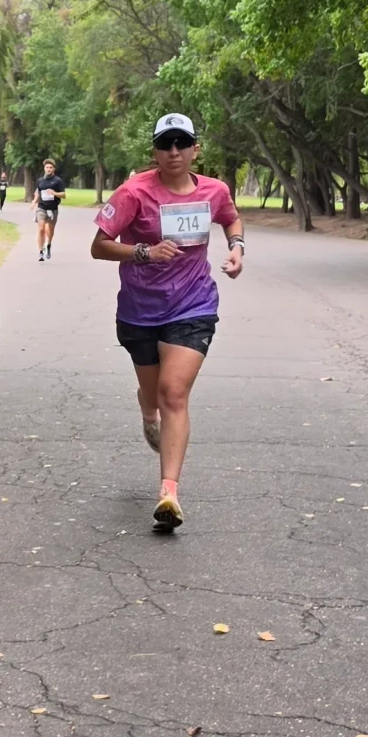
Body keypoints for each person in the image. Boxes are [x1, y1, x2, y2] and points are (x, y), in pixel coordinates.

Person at [91, 113, 243, 531]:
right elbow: (99, 246)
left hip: (193, 305)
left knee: (174, 392)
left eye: (181, 143)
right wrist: (145, 252)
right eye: (165, 144)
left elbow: (230, 217)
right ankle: (147, 412)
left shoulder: (214, 190)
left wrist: (237, 247)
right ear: (155, 151)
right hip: (139, 310)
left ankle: (169, 494)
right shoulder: (133, 192)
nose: (174, 152)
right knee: (154, 394)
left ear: (195, 149)